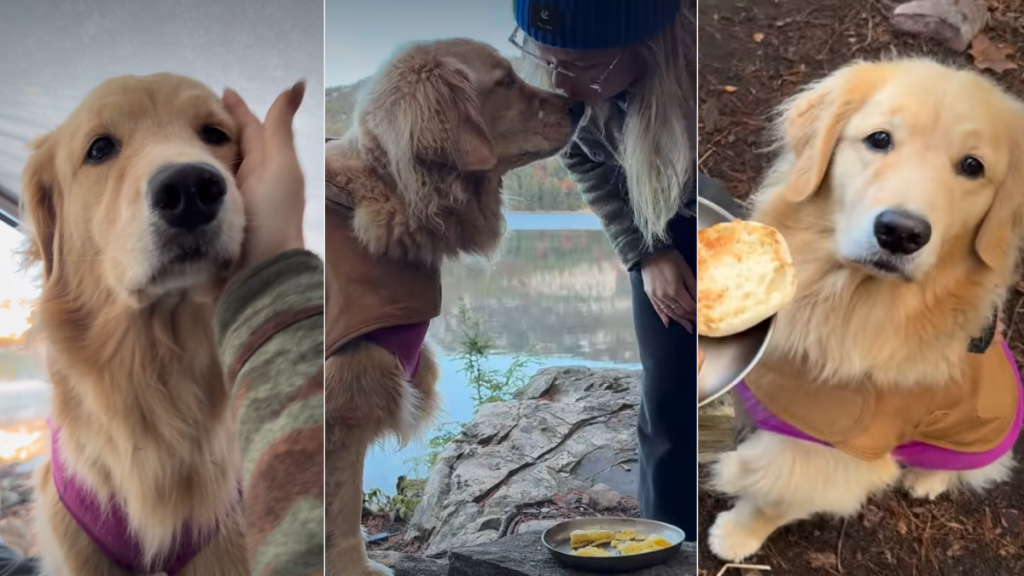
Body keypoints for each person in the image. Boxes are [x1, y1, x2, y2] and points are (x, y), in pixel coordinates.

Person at [511, 0, 698, 540]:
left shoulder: (695, 81)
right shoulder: (564, 87)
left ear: (651, 48)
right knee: (669, 403)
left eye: (585, 68)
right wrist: (648, 252)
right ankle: (664, 543)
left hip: (727, 210)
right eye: (548, 62)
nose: (561, 87)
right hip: (653, 218)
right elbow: (583, 157)